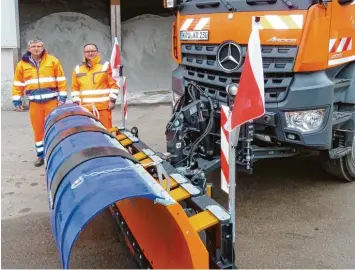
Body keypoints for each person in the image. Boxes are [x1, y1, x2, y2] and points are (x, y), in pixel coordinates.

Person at [12, 39, 67, 167]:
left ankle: (56, 154)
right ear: (29, 49)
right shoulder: (22, 64)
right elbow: (18, 83)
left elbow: (61, 80)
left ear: (43, 47)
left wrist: (62, 98)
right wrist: (17, 100)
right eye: (33, 46)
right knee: (38, 130)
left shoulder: (53, 61)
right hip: (34, 104)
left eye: (38, 46)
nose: (36, 48)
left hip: (51, 102)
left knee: (54, 128)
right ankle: (41, 156)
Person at [71, 43, 119, 129]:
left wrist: (112, 101)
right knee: (89, 133)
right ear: (84, 53)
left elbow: (114, 85)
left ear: (97, 52)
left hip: (103, 108)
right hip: (85, 109)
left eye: (92, 51)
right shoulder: (78, 68)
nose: (90, 53)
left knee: (106, 133)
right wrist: (76, 103)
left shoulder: (106, 66)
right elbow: (75, 88)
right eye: (87, 51)